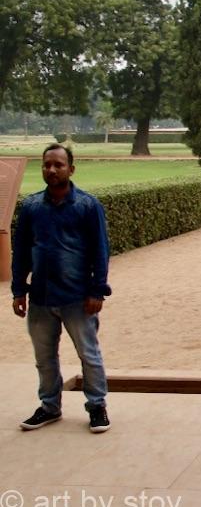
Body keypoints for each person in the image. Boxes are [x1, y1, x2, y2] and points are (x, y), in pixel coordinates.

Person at [12, 144, 112, 433]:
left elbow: (99, 251)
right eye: (47, 165)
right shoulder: (31, 207)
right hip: (41, 297)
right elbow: (21, 252)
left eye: (58, 165)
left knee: (88, 355)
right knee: (44, 358)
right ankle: (49, 407)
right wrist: (19, 290)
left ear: (71, 168)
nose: (52, 170)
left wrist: (97, 290)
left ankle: (96, 406)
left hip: (77, 297)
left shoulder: (87, 206)